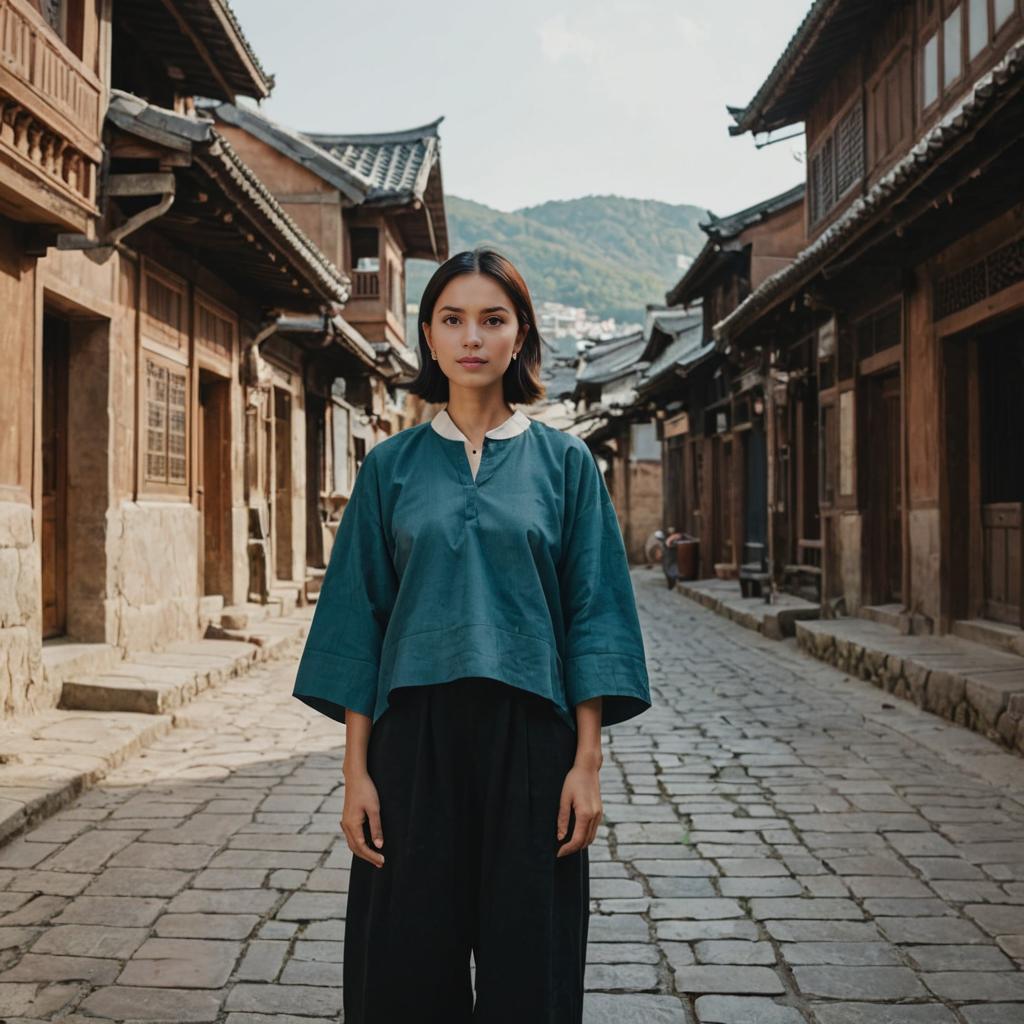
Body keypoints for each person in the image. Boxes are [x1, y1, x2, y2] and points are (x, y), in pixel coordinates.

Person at [292, 247, 652, 1023]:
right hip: (412, 744)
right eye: (453, 320)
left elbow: (594, 613)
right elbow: (361, 618)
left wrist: (586, 762)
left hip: (532, 742)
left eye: (493, 320)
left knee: (532, 970)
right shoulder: (391, 468)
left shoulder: (567, 465)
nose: (473, 338)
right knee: (404, 969)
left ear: (520, 336)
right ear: (428, 335)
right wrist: (356, 772)